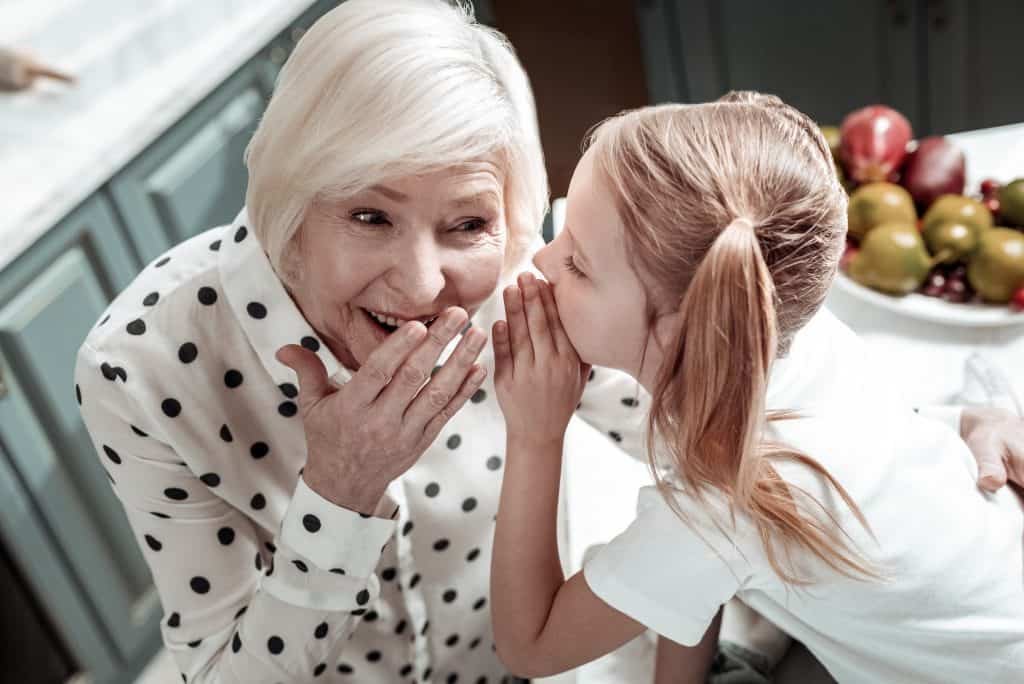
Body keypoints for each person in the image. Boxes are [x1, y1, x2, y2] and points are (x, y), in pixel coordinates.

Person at [74, 2, 1017, 681]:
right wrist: (338, 496)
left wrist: (955, 423)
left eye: (471, 225)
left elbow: (723, 390)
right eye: (368, 214)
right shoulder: (143, 362)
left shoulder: (533, 278)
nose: (425, 284)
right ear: (285, 193)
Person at [489, 93, 1024, 684]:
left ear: (682, 331)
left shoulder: (729, 499)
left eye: (579, 265)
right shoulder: (784, 335)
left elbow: (531, 646)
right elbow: (698, 576)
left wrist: (536, 435)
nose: (541, 259)